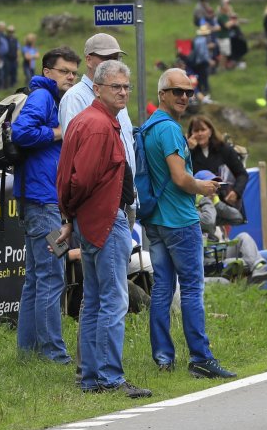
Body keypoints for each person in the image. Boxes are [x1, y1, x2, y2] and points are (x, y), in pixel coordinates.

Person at [58, 60, 150, 399]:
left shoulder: (87, 120)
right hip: (105, 219)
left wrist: (71, 215)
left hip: (90, 220)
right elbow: (80, 179)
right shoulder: (98, 125)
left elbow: (66, 176)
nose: (123, 92)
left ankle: (91, 377)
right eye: (116, 86)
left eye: (126, 87)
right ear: (97, 89)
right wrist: (77, 211)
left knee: (95, 299)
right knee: (113, 300)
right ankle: (110, 377)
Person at [142, 68, 235, 378]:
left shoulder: (150, 126)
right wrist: (204, 187)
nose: (184, 97)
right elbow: (180, 178)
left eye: (188, 92)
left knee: (162, 289)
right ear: (162, 94)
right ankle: (201, 359)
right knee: (193, 289)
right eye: (177, 91)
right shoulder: (169, 129)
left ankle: (163, 359)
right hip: (179, 220)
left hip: (155, 219)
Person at [11, 46, 80, 365]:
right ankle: (54, 353)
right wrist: (59, 131)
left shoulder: (51, 98)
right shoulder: (42, 96)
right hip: (43, 201)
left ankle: (28, 352)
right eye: (64, 71)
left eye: (74, 73)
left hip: (38, 199)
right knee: (52, 275)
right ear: (47, 71)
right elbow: (21, 132)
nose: (71, 77)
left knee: (37, 278)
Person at [60, 34, 135, 177]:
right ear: (88, 60)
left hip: (125, 187)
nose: (113, 63)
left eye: (116, 58)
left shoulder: (119, 95)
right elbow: (75, 154)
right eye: (106, 58)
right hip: (100, 189)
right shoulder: (75, 97)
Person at [187, 115, 248, 223]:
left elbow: (242, 174)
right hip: (198, 206)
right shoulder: (186, 152)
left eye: (203, 130)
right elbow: (181, 174)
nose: (200, 134)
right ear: (191, 133)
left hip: (223, 202)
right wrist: (189, 150)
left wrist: (236, 192)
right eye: (196, 130)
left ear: (210, 131)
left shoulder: (224, 149)